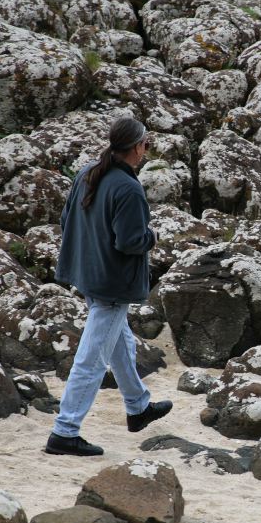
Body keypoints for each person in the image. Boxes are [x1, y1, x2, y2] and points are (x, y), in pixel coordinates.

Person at [45, 116, 172, 457]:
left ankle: (137, 406)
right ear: (135, 148)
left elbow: (67, 218)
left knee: (119, 342)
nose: (147, 150)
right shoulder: (128, 188)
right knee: (92, 358)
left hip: (87, 274)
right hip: (112, 285)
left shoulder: (88, 172)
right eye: (146, 143)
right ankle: (65, 431)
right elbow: (131, 241)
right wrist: (153, 236)